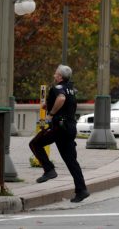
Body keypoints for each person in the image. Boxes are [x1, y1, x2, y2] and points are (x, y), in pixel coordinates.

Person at [29, 65, 89, 203]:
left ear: (60, 77)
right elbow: (66, 102)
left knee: (35, 143)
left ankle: (49, 170)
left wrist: (50, 115)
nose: (54, 76)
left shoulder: (58, 88)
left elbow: (61, 99)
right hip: (70, 127)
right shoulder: (72, 89)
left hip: (59, 127)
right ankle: (82, 190)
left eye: (56, 74)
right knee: (71, 160)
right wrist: (49, 105)